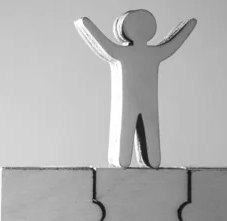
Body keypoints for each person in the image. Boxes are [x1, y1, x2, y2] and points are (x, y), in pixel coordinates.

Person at [75, 10, 196, 168]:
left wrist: (85, 25)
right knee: (132, 129)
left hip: (140, 101)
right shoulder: (150, 53)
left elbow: (104, 44)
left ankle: (137, 160)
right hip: (135, 100)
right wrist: (85, 25)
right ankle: (134, 160)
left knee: (133, 129)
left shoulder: (133, 53)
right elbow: (173, 44)